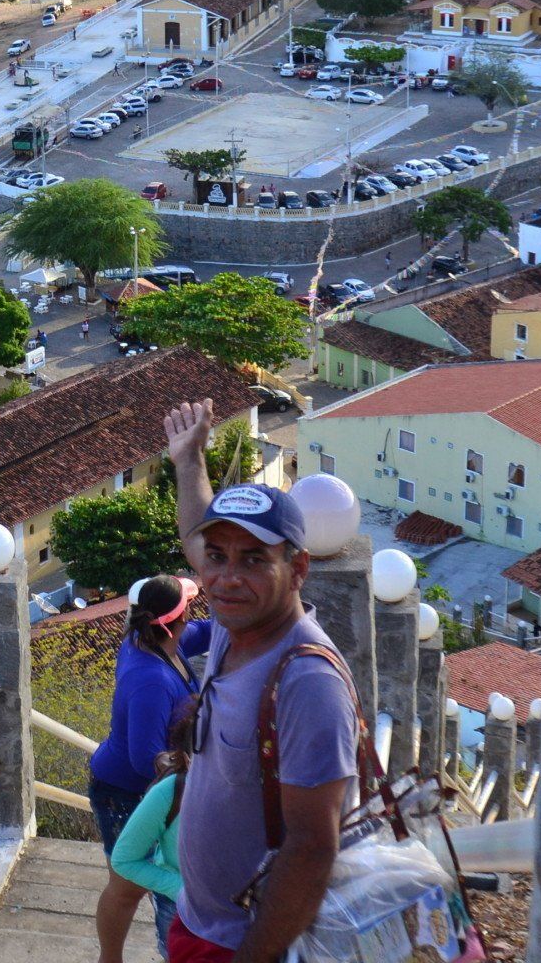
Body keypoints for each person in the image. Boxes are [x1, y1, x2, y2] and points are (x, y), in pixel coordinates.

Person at [160, 401, 360, 963]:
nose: (227, 577)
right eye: (217, 558)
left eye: (253, 560)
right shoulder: (237, 625)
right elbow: (196, 537)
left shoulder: (307, 681)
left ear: (297, 570)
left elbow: (313, 847)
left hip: (241, 942)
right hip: (199, 921)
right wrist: (189, 461)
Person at [88, 576, 209, 963]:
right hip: (124, 791)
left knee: (137, 882)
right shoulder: (151, 680)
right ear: (179, 618)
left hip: (141, 787)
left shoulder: (159, 642)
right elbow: (145, 758)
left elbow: (208, 632)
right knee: (127, 885)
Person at [109, 728, 192, 926]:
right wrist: (182, 890)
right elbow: (123, 860)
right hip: (178, 907)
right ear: (188, 760)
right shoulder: (170, 792)